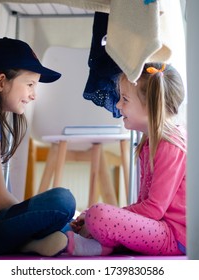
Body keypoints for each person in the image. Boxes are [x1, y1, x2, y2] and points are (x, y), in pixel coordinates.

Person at [0, 37, 76, 258]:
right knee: (63, 201)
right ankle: (37, 240)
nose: (33, 94)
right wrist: (33, 219)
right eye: (30, 84)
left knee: (59, 211)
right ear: (1, 82)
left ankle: (27, 244)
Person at [66, 62, 186, 256]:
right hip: (159, 228)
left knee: (99, 214)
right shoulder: (149, 142)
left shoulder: (170, 145)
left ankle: (98, 243)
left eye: (125, 99)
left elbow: (153, 210)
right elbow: (144, 206)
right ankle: (99, 244)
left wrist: (101, 218)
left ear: (151, 105)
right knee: (94, 215)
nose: (118, 105)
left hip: (174, 237)